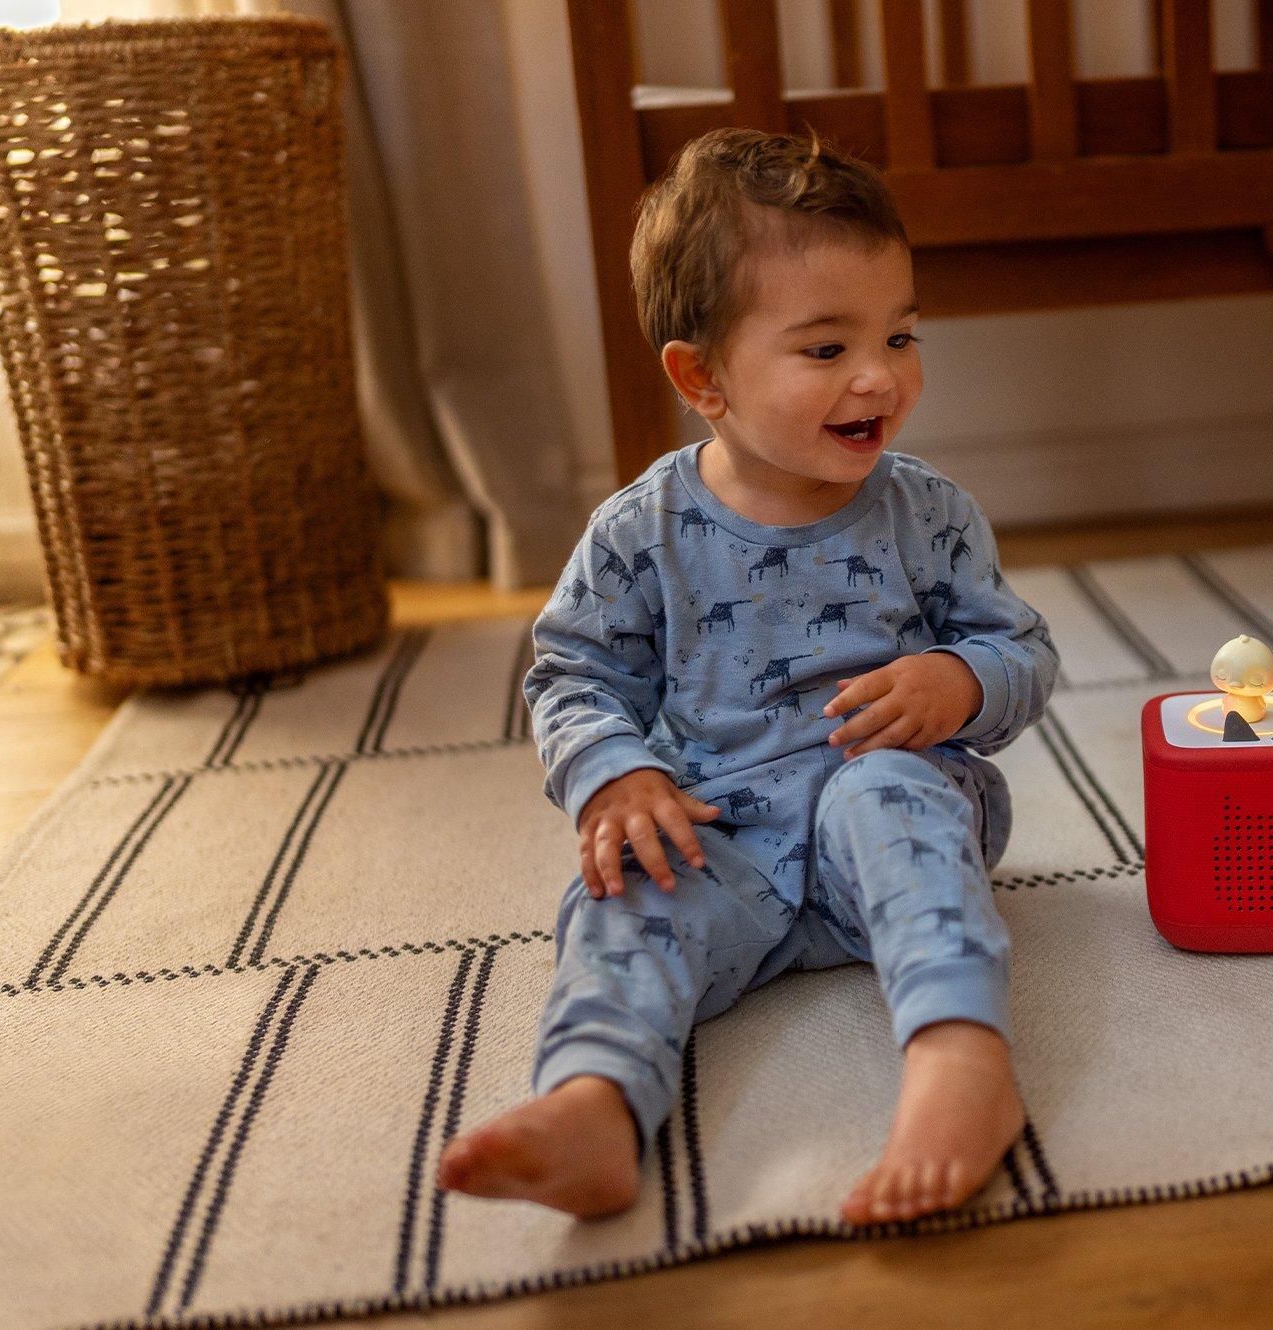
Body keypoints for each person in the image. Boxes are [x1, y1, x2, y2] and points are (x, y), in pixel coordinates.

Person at [437, 127, 1059, 1227]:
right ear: (702, 376)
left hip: (890, 821)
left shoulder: (930, 514)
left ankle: (961, 1061)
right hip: (717, 834)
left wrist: (958, 683)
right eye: (826, 350)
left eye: (900, 333)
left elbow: (1022, 650)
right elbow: (571, 673)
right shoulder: (641, 533)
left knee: (889, 789)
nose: (881, 375)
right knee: (623, 893)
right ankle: (594, 1102)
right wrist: (616, 776)